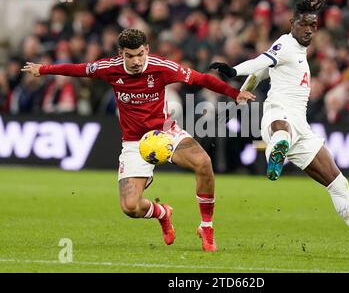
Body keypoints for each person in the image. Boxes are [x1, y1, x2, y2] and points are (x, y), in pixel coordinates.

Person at [22, 28, 255, 252]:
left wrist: (234, 94)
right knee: (130, 207)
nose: (136, 61)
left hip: (164, 132)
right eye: (130, 56)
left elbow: (201, 79)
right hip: (134, 143)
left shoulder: (161, 67)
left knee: (203, 163)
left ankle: (206, 228)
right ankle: (162, 213)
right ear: (120, 54)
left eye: (140, 54)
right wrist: (43, 69)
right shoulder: (108, 68)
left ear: (147, 49)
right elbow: (79, 69)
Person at [209, 0, 349, 258]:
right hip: (278, 115)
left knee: (338, 184)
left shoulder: (295, 53)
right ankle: (275, 153)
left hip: (302, 129)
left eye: (314, 25)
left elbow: (260, 73)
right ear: (292, 23)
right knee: (282, 132)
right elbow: (258, 62)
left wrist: (240, 94)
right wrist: (233, 72)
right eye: (304, 24)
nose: (310, 30)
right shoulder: (286, 44)